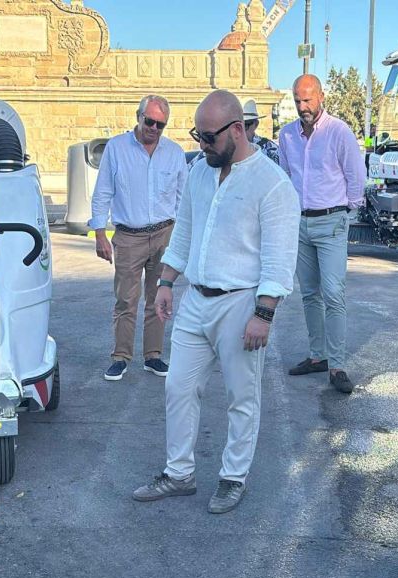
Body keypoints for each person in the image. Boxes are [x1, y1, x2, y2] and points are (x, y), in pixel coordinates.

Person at [131, 90, 300, 514]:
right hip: (195, 299)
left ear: (237, 130)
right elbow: (185, 231)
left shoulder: (272, 183)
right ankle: (179, 474)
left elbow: (280, 257)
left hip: (242, 304)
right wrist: (166, 282)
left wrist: (264, 313)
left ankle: (232, 477)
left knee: (242, 396)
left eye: (208, 138)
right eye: (197, 136)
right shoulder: (200, 173)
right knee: (178, 386)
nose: (201, 145)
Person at [278, 75, 367, 394]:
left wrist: (348, 214)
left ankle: (337, 364)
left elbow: (356, 175)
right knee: (309, 294)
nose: (303, 106)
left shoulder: (338, 131)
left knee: (333, 293)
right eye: (298, 100)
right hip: (300, 223)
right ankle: (317, 356)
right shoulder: (286, 135)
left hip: (331, 222)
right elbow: (287, 176)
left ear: (321, 97)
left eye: (308, 99)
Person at [90, 95, 187, 381]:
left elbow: (183, 198)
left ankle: (153, 355)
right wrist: (99, 234)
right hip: (128, 236)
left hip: (164, 234)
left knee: (159, 298)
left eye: (160, 124)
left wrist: (181, 237)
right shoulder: (117, 149)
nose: (154, 128)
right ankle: (120, 356)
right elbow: (103, 192)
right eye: (150, 121)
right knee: (125, 300)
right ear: (138, 116)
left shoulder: (174, 152)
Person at [241, 99, 279, 164]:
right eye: (236, 125)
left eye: (246, 125)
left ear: (256, 124)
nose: (240, 130)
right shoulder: (228, 148)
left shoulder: (270, 148)